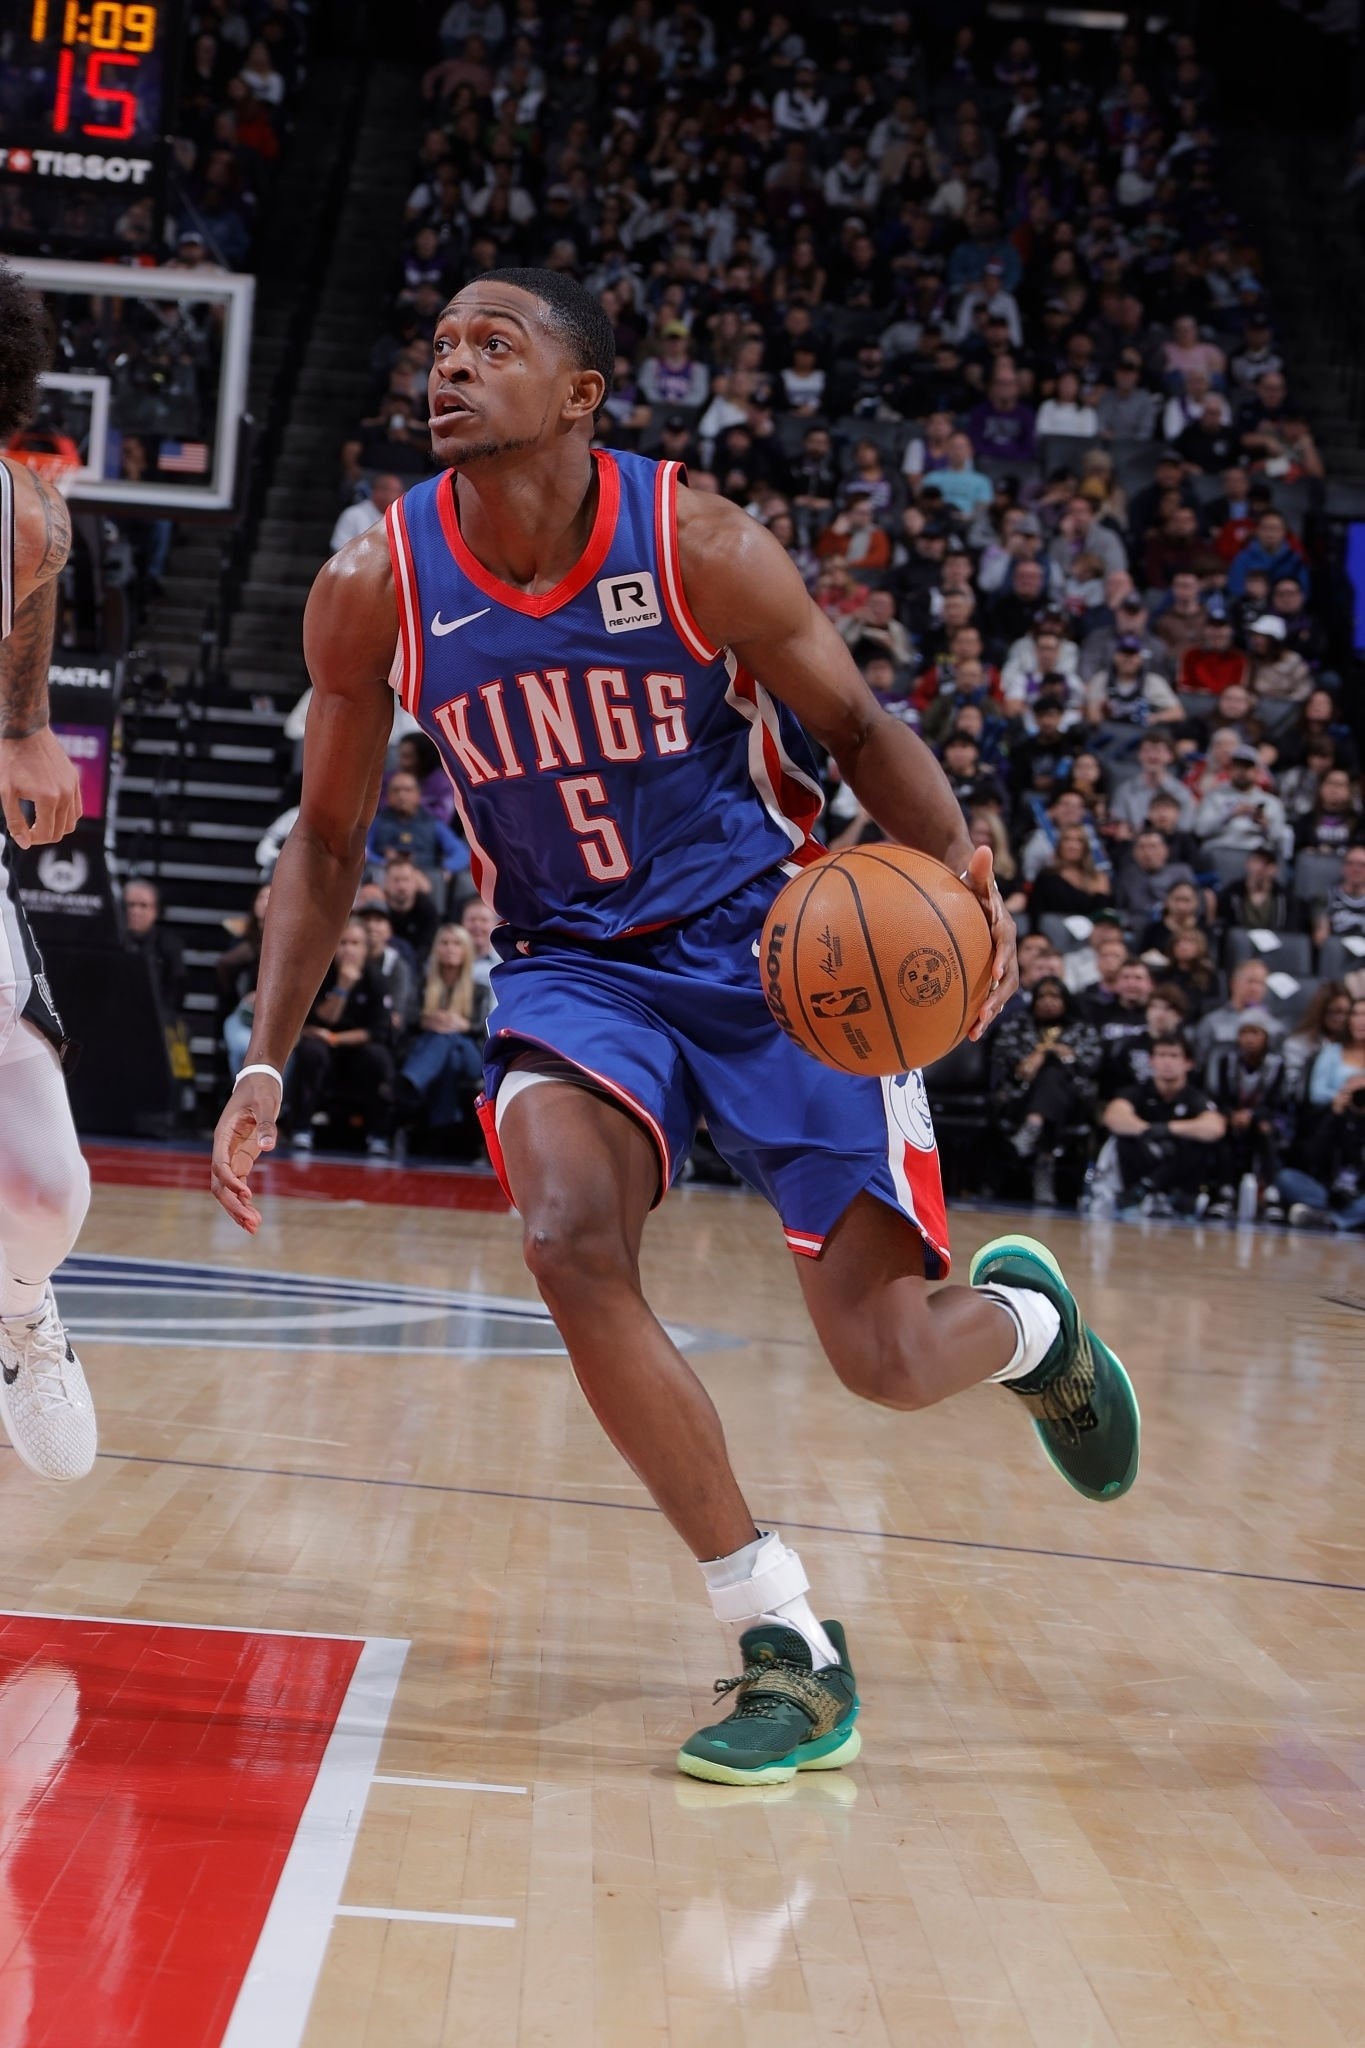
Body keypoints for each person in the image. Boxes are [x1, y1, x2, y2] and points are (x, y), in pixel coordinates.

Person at [211, 268, 1139, 1788]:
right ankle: (780, 1631)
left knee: (890, 1362)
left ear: (581, 394)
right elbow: (322, 844)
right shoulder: (372, 586)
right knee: (565, 1236)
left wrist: (968, 902)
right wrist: (263, 1060)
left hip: (774, 950)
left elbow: (856, 733)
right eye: (437, 345)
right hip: (574, 965)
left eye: (492, 346)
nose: (449, 366)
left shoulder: (697, 543)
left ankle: (1031, 1331)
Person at [0, 261, 97, 1483]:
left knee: (48, 1186)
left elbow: (22, 627)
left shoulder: (27, 517)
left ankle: (22, 1307)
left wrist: (25, 726)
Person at [284, 918, 395, 1156]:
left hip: (357, 1048)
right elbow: (320, 1020)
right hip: (322, 1047)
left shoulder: (376, 979)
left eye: (355, 943)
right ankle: (301, 1127)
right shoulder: (320, 975)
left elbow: (377, 1031)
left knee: (378, 1058)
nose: (348, 949)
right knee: (310, 1051)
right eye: (342, 943)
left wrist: (333, 1039)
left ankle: (378, 1133)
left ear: (366, 949)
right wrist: (343, 987)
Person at [989, 976, 1101, 1207]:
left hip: (1072, 1101)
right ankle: (1044, 1162)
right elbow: (1005, 1059)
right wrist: (1036, 1061)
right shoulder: (1018, 1024)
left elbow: (1091, 1064)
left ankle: (1033, 1127)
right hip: (1022, 1095)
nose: (1048, 1002)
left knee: (1054, 1075)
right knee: (1050, 1081)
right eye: (1042, 996)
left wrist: (1047, 1054)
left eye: (1055, 996)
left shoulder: (1081, 1028)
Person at [1100, 1035, 1227, 1216]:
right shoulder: (1138, 1091)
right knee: (1125, 1138)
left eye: (1174, 1056)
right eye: (1161, 1055)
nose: (1167, 1062)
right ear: (1151, 1061)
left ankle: (1153, 1189)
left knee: (1195, 1141)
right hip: (1144, 1159)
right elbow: (1114, 1117)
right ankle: (1145, 1192)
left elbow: (1215, 1128)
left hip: (1181, 1173)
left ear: (1188, 1063)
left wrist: (1167, 1130)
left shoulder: (1195, 1096)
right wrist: (1149, 1132)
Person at [1279, 996, 1365, 1230]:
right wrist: (1337, 1108)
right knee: (1287, 1178)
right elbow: (1314, 1153)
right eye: (1356, 1014)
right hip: (1329, 1180)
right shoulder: (1331, 1053)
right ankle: (1346, 1217)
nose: (1360, 1020)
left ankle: (1333, 1221)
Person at [398, 923, 489, 1133]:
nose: (450, 948)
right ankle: (445, 1126)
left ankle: (412, 1081)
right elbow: (408, 1020)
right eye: (445, 943)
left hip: (471, 1055)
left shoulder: (479, 991)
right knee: (449, 1056)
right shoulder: (422, 985)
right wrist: (427, 1021)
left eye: (456, 944)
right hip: (442, 1053)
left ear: (466, 950)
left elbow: (482, 1028)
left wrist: (461, 1025)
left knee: (447, 1039)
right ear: (436, 949)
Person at [121, 878, 187, 1019]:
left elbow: (176, 990)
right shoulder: (111, 940)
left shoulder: (169, 944)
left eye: (143, 906)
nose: (135, 911)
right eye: (130, 905)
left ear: (156, 910)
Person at [331, 475, 405, 554]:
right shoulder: (353, 513)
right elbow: (338, 547)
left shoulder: (399, 518)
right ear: (379, 492)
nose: (400, 497)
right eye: (395, 491)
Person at [1314, 845, 1365, 946]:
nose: (1356, 869)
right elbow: (1320, 939)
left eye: (1362, 865)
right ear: (1343, 867)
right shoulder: (1326, 896)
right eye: (1350, 864)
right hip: (1337, 954)